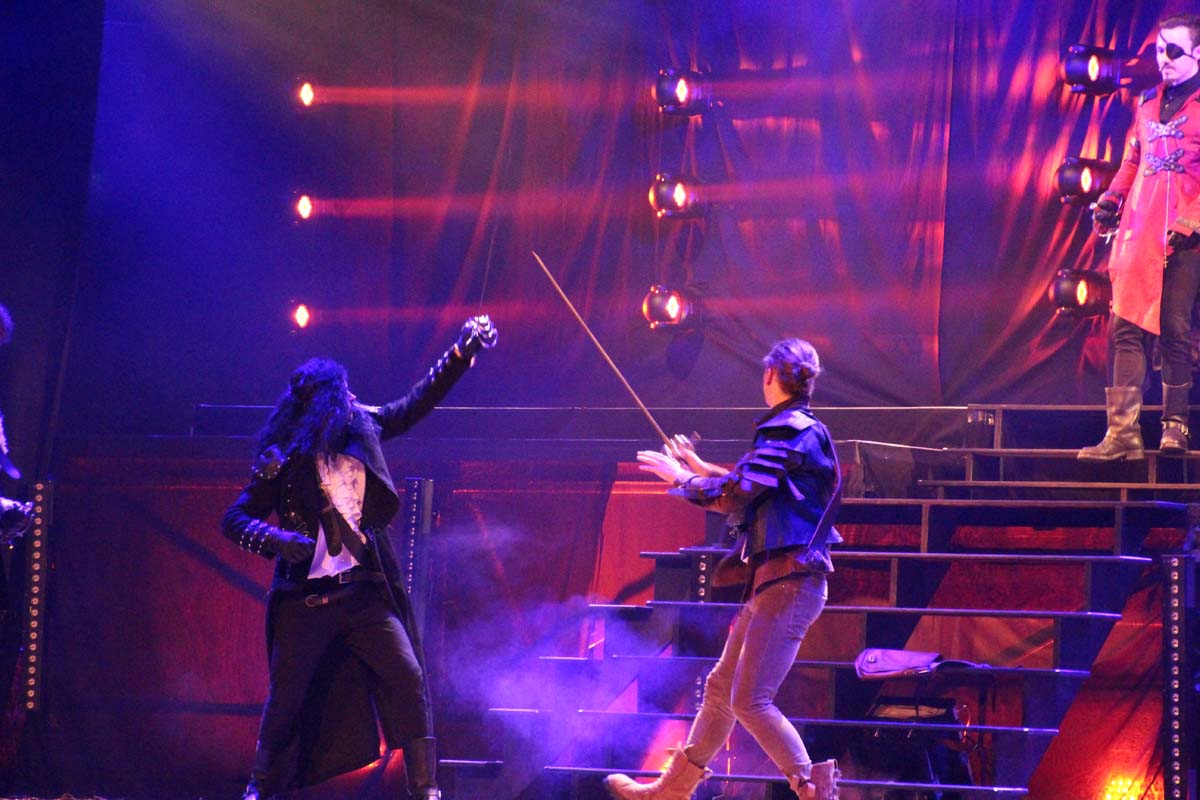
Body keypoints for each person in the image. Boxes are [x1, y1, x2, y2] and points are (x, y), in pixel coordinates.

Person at [222, 315, 497, 800]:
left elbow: (415, 404)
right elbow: (235, 518)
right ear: (323, 402)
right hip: (305, 603)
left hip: (364, 596)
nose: (350, 400)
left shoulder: (360, 428)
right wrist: (277, 540)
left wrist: (461, 354)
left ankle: (426, 790)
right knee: (285, 700)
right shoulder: (284, 457)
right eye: (341, 394)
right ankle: (258, 788)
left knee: (408, 676)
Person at [604, 338, 842, 800]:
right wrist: (697, 468)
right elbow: (752, 486)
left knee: (749, 700)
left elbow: (738, 494)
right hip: (774, 582)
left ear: (770, 375)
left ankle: (813, 789)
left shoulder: (788, 429)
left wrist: (682, 480)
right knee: (721, 690)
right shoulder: (799, 430)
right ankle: (673, 790)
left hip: (788, 583)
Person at [1080, 13, 1200, 461]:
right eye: (1160, 49)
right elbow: (1133, 160)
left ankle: (1175, 427)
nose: (1164, 58)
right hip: (1140, 232)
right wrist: (1112, 198)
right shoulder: (1147, 103)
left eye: (1174, 50)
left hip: (1186, 238)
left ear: (1198, 53)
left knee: (1173, 328)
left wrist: (1190, 223)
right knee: (1125, 326)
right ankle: (1122, 434)